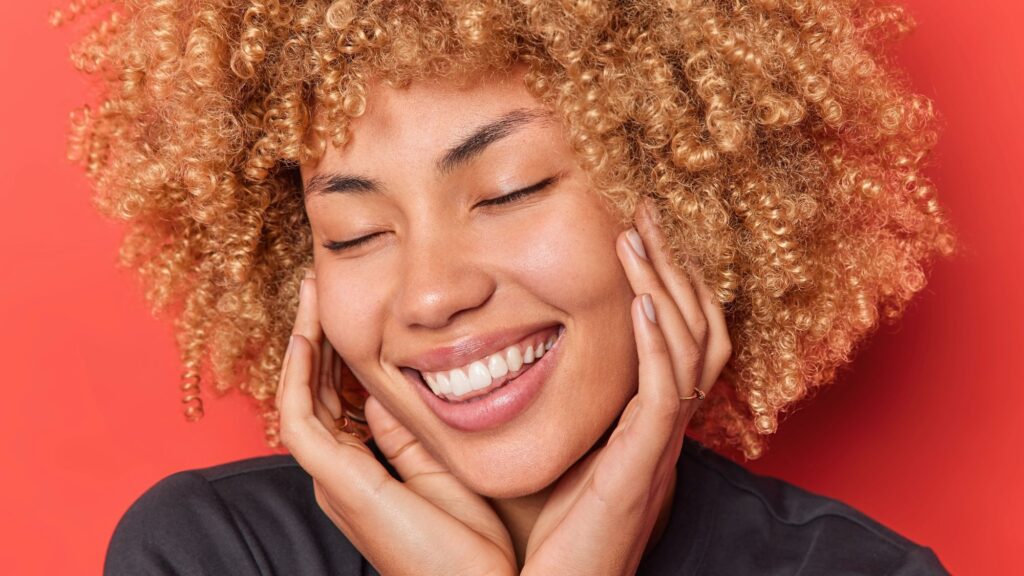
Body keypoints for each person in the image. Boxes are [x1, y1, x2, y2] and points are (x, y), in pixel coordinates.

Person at [58, 0, 955, 574]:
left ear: (683, 199)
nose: (431, 296)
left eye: (509, 191)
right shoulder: (215, 554)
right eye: (354, 232)